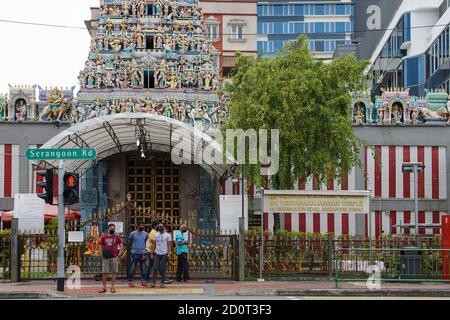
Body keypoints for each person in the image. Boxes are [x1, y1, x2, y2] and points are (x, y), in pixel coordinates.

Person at [99, 223, 123, 294]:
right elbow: (100, 245)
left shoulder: (117, 236)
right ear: (108, 229)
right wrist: (101, 255)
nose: (112, 229)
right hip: (106, 257)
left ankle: (112, 287)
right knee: (104, 272)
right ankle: (104, 287)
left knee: (114, 272)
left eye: (113, 228)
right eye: (111, 228)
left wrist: (120, 253)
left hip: (114, 256)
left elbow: (121, 245)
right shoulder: (104, 236)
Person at [151, 223, 172, 288]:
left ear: (164, 227)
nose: (159, 227)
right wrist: (152, 253)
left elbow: (169, 245)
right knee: (155, 268)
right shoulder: (156, 234)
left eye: (161, 226)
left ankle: (162, 283)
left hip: (164, 254)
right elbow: (154, 244)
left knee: (163, 268)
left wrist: (169, 253)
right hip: (157, 253)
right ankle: (153, 282)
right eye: (159, 226)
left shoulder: (167, 235)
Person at [128, 221, 148, 287]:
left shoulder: (145, 234)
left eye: (143, 225)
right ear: (137, 225)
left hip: (143, 253)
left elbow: (146, 242)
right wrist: (133, 249)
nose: (142, 226)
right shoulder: (132, 233)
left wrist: (145, 251)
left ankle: (144, 281)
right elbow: (130, 242)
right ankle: (130, 281)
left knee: (143, 268)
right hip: (134, 253)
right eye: (141, 225)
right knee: (133, 268)